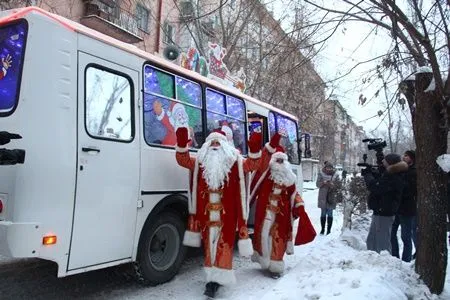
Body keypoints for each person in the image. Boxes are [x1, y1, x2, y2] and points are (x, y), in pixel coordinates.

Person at [175, 127, 262, 298]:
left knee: (224, 246)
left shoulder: (234, 161)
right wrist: (181, 144)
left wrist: (254, 149)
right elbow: (183, 160)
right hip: (206, 215)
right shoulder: (200, 161)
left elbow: (253, 165)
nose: (215, 146)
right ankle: (211, 277)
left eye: (218, 143)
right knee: (209, 247)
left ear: (225, 145)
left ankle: (216, 281)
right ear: (207, 145)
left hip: (227, 215)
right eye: (212, 142)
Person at [249, 145, 315, 278]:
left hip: (281, 215)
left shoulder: (290, 178)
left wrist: (299, 205)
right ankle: (264, 261)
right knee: (263, 236)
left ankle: (275, 266)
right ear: (272, 161)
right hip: (266, 212)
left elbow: (294, 194)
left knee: (278, 238)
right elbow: (254, 186)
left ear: (285, 162)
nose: (279, 163)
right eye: (277, 160)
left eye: (281, 161)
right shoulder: (265, 176)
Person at [363, 153, 407, 254]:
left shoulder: (394, 176)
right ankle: (371, 259)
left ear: (390, 163)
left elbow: (377, 187)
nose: (382, 162)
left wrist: (368, 176)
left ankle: (384, 264)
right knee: (372, 240)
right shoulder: (390, 174)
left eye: (384, 161)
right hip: (379, 210)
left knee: (383, 243)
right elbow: (380, 182)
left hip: (385, 212)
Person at [390, 150, 417, 262]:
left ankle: (406, 260)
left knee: (405, 237)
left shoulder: (413, 172)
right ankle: (395, 257)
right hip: (397, 208)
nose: (404, 157)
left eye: (406, 156)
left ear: (412, 159)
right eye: (404, 155)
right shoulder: (402, 171)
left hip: (407, 209)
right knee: (391, 233)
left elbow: (409, 190)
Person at [316, 162, 338, 235]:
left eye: (330, 168)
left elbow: (339, 186)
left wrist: (332, 184)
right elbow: (317, 184)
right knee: (323, 214)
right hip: (322, 197)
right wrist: (324, 182)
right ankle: (322, 229)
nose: (329, 169)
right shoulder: (321, 174)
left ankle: (329, 230)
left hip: (331, 197)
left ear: (332, 168)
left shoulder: (335, 175)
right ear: (325, 168)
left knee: (330, 214)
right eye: (327, 167)